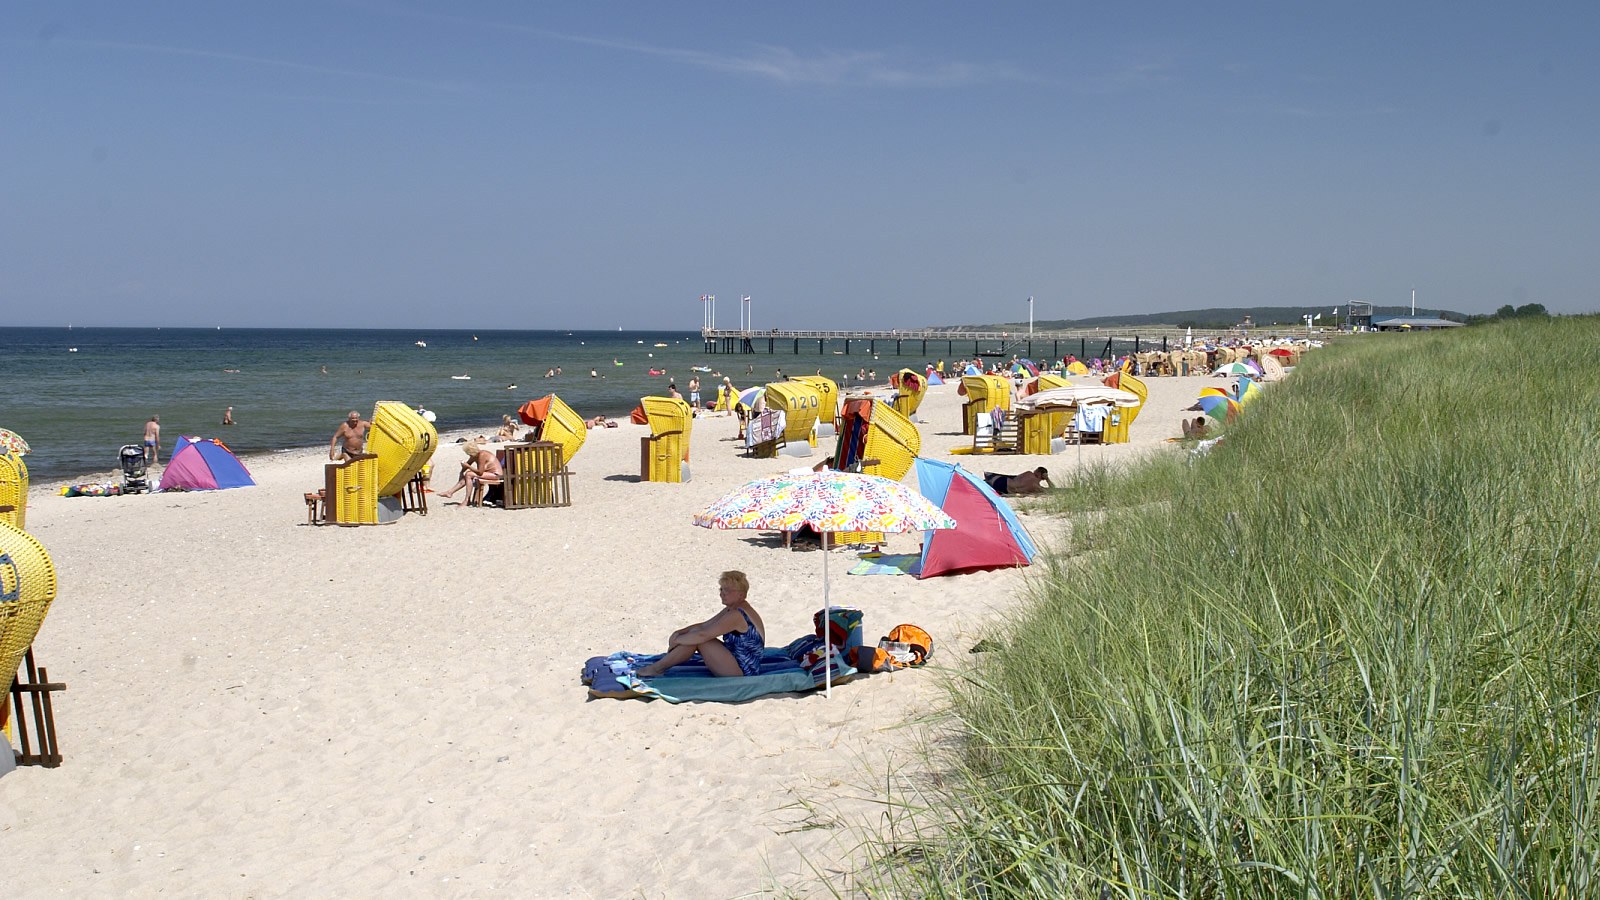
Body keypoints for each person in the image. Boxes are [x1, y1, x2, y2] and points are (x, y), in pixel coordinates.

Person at [635, 571, 765, 678]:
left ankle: (657, 668)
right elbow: (704, 626)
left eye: (727, 590)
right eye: (721, 589)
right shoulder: (733, 609)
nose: (722, 593)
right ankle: (658, 668)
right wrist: (680, 633)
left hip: (744, 672)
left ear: (741, 594)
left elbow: (703, 634)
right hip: (736, 661)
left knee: (699, 640)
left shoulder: (736, 615)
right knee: (695, 636)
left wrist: (677, 640)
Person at [438, 441, 503, 501]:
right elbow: (468, 464)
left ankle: (467, 499)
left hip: (496, 475)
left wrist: (468, 467)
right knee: (467, 475)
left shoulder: (482, 455)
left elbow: (480, 472)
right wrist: (461, 472)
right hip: (488, 473)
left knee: (469, 474)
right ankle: (450, 492)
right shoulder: (475, 456)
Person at [984, 467, 1051, 496]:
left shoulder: (1029, 473)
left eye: (1035, 470)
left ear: (1038, 472)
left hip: (1001, 481)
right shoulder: (1037, 488)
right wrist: (1047, 479)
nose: (1034, 471)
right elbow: (1053, 490)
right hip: (1004, 490)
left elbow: (1014, 477)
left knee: (984, 483)